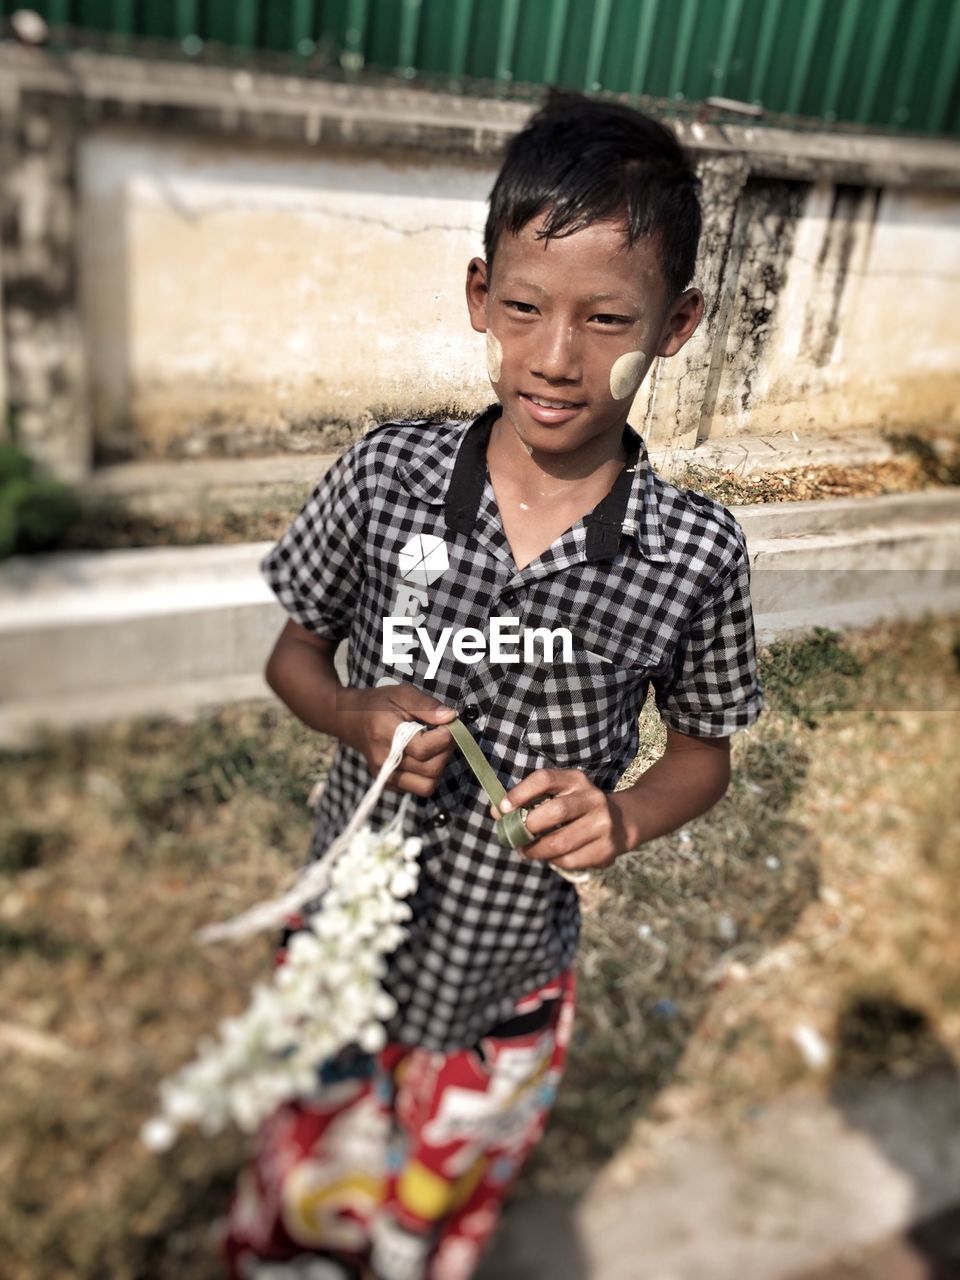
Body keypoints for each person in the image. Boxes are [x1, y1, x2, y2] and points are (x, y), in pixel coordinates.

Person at [225, 88, 763, 1280]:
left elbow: (704, 749)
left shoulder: (691, 553)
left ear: (675, 325)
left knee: (425, 1214)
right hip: (346, 947)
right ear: (482, 297)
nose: (557, 358)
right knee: (307, 1186)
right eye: (523, 309)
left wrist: (623, 813)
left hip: (507, 970)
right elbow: (293, 653)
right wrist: (351, 711)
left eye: (605, 319)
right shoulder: (385, 476)